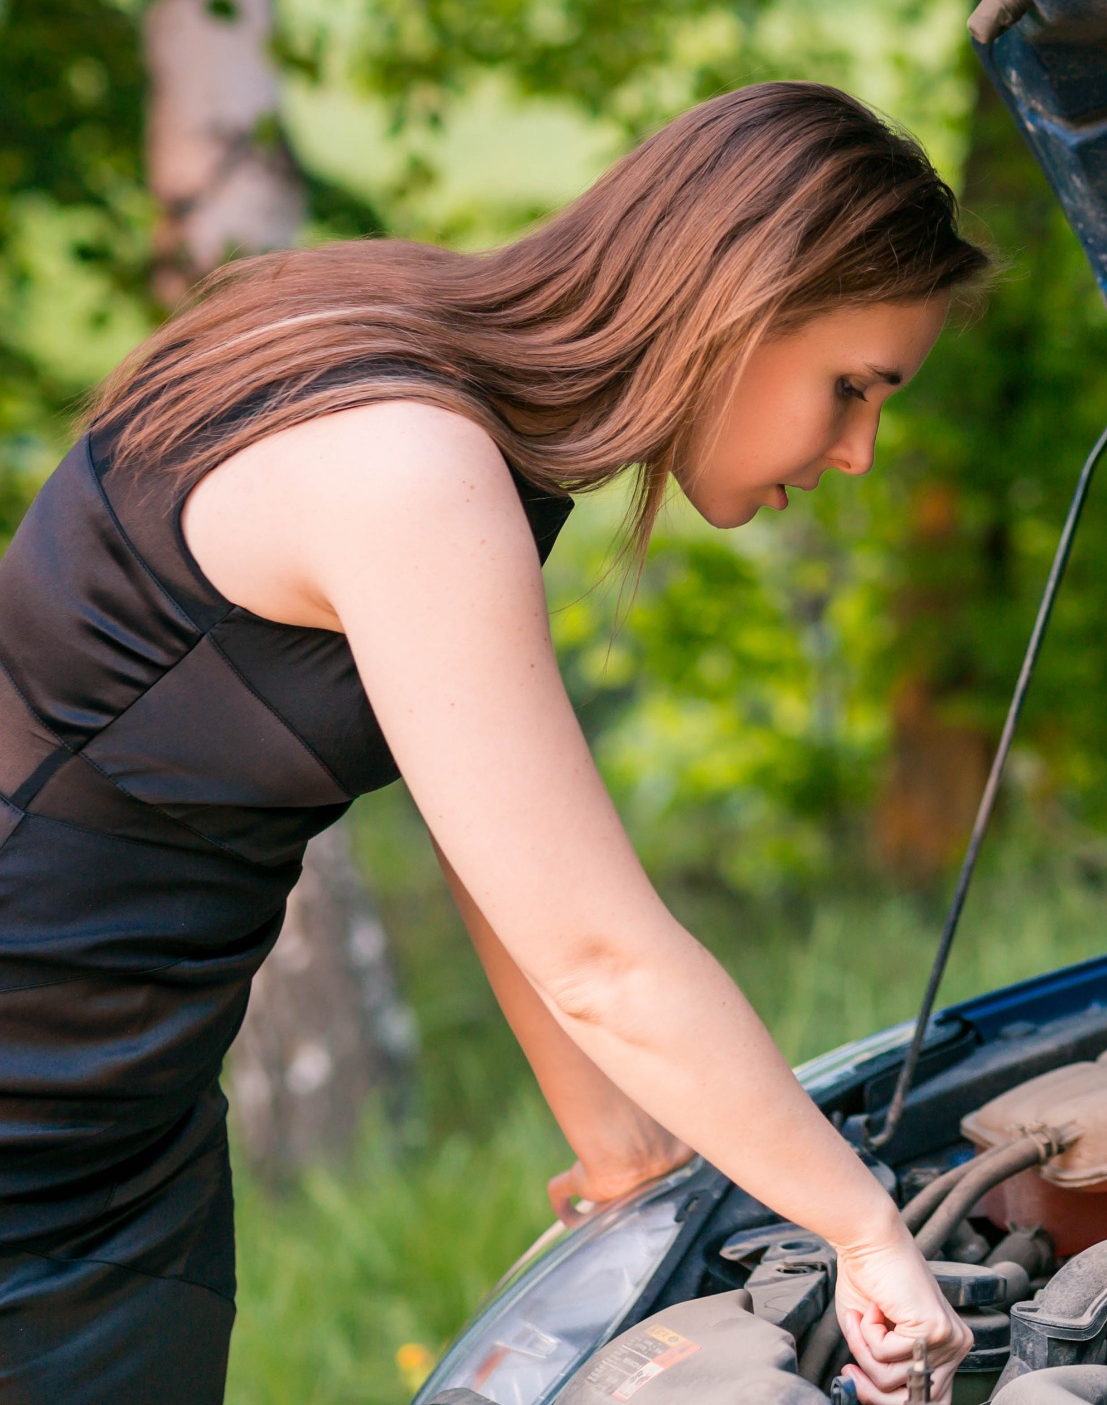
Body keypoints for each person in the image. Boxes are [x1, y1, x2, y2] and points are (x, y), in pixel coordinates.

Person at [0, 82, 986, 1404]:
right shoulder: (409, 461)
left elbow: (492, 821)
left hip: (116, 1111)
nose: (861, 450)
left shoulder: (428, 380)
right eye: (852, 387)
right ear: (740, 311)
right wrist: (862, 1230)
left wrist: (616, 1141)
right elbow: (599, 959)